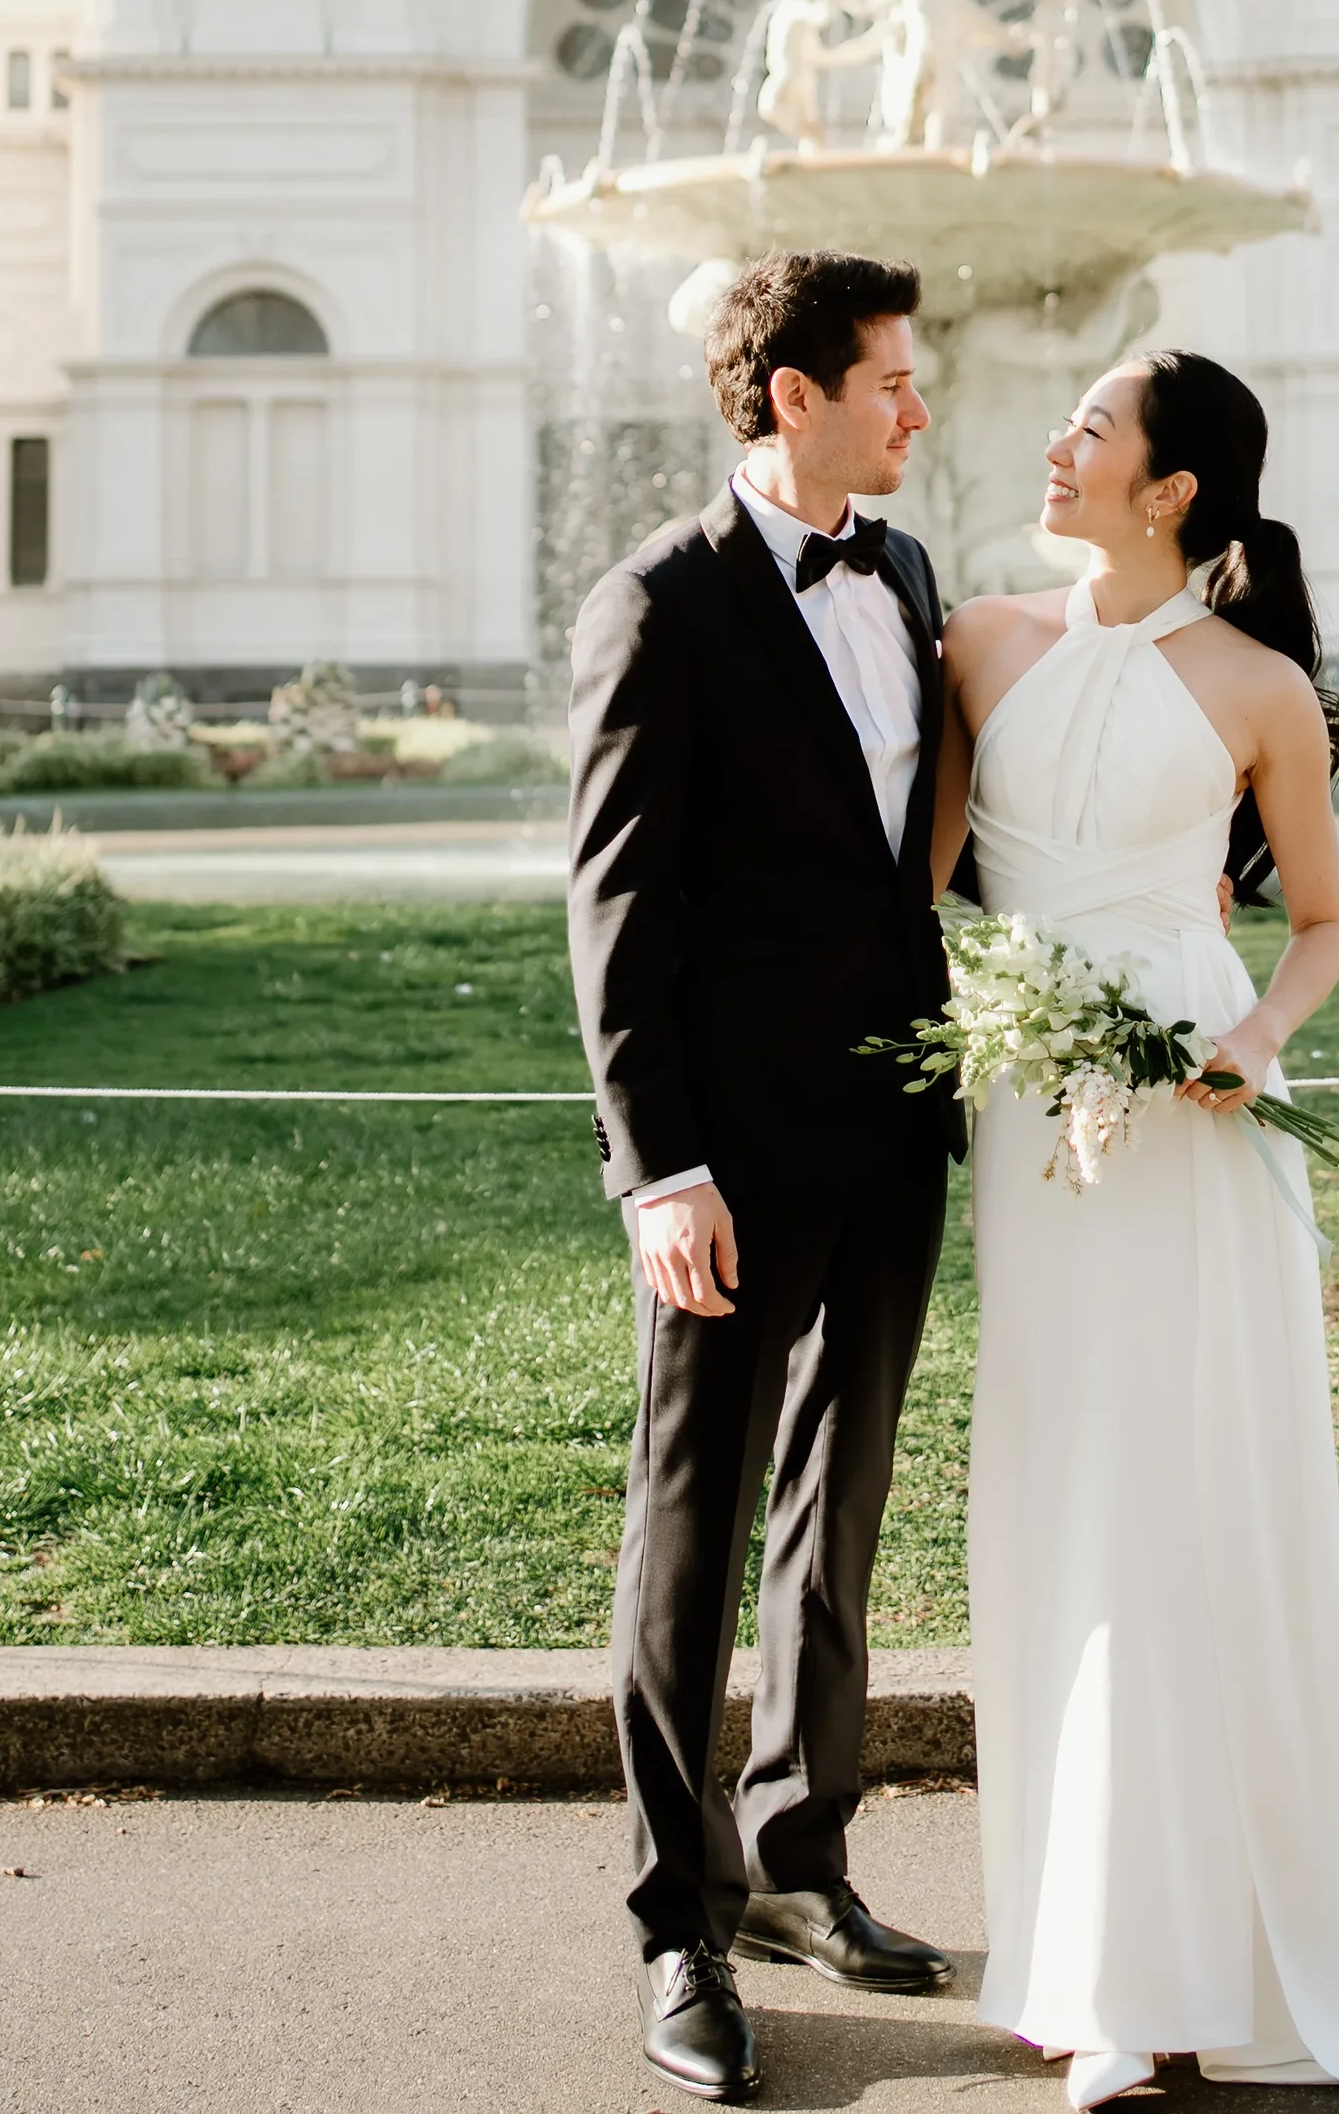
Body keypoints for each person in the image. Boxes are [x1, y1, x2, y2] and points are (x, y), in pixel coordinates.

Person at [936, 350, 1339, 2104]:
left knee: (1193, 1504)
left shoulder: (1263, 686)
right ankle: (1091, 1959)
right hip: (1035, 1109)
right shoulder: (980, 638)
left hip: (1198, 1126)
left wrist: (1251, 1038)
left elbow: (1324, 923)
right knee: (1064, 1499)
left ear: (1173, 483)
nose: (1057, 443)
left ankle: (1206, 1960)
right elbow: (924, 876)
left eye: (1091, 427)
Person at [567, 250, 961, 2105]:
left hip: (896, 1132)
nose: (918, 404)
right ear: (791, 392)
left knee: (838, 1510)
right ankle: (679, 1923)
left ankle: (805, 1861)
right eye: (892, 376)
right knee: (694, 1533)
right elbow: (618, 912)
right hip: (724, 1165)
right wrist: (661, 1167)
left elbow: (923, 853)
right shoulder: (657, 603)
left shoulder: (901, 571)